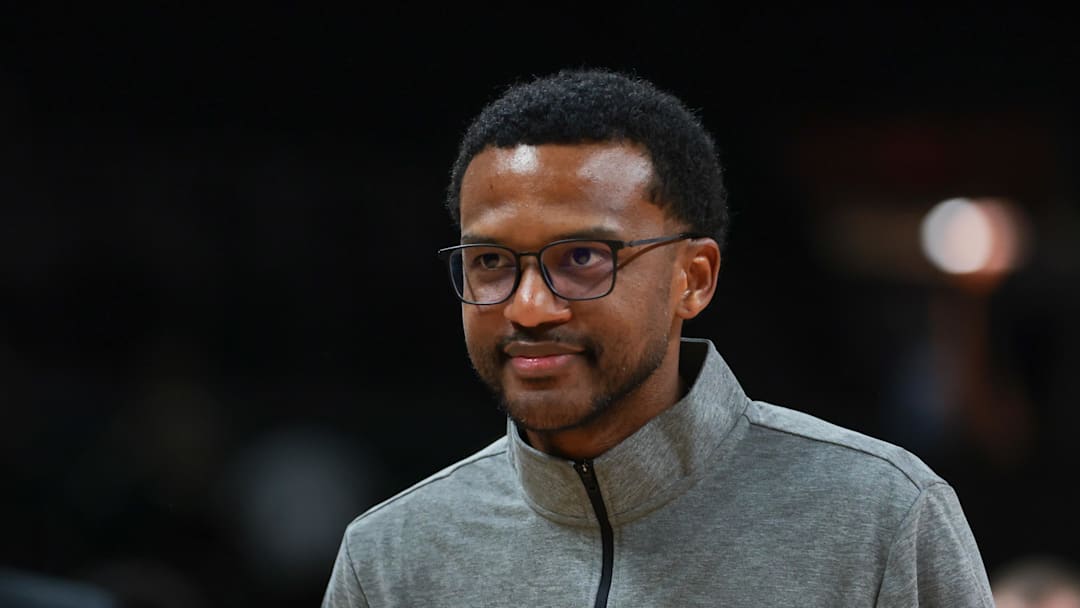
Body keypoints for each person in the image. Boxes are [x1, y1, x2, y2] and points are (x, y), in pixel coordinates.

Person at [322, 68, 994, 606]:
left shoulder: (881, 518)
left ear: (693, 278)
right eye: (491, 262)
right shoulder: (392, 558)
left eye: (582, 258)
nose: (528, 307)